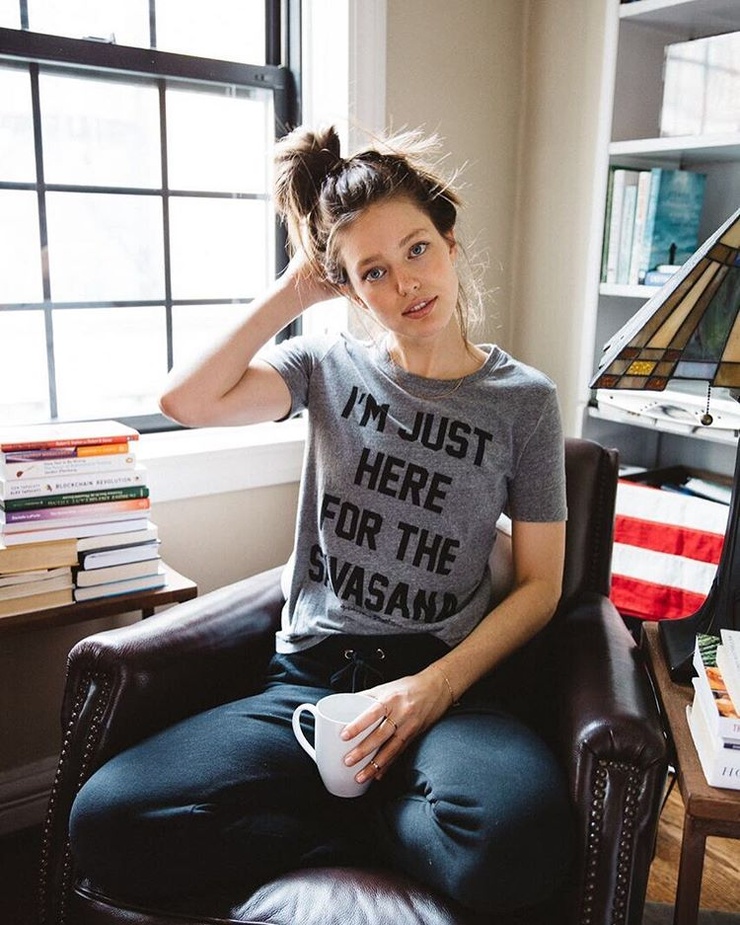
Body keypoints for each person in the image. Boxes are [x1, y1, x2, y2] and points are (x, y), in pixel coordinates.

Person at [69, 125, 573, 916]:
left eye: (416, 249)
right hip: (311, 679)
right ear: (350, 288)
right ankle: (365, 817)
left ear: (450, 242)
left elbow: (541, 585)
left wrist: (432, 690)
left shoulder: (524, 403)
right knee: (106, 818)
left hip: (439, 682)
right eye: (373, 271)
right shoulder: (324, 366)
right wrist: (294, 291)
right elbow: (184, 399)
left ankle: (350, 808)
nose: (405, 283)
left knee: (523, 843)